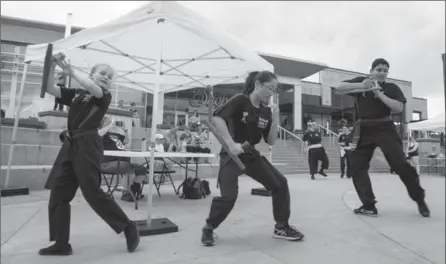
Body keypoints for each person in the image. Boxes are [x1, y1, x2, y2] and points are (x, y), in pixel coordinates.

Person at [38, 52, 139, 256]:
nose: (106, 77)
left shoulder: (104, 96)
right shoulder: (76, 94)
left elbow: (94, 89)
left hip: (88, 143)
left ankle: (128, 227)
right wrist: (50, 66)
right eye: (102, 73)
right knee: (59, 192)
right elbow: (50, 88)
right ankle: (61, 243)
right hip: (71, 143)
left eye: (110, 76)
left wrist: (71, 71)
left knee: (92, 191)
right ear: (92, 74)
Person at [201, 71, 304, 247]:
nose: (272, 93)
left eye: (274, 90)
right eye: (270, 88)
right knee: (229, 197)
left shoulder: (265, 112)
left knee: (280, 183)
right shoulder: (241, 100)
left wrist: (276, 119)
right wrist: (231, 143)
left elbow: (270, 140)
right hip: (231, 155)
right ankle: (209, 228)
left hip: (251, 154)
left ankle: (281, 227)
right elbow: (218, 117)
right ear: (257, 85)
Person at [336, 58, 429, 218]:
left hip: (385, 127)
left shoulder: (391, 87)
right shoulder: (361, 81)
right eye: (379, 69)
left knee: (400, 164)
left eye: (385, 70)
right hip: (363, 129)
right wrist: (363, 85)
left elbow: (398, 107)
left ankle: (419, 198)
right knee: (356, 165)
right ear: (371, 70)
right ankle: (368, 205)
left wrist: (378, 93)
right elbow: (339, 88)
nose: (382, 72)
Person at [99, 116, 148, 201]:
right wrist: (108, 126)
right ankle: (128, 191)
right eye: (107, 122)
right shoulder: (101, 134)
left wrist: (125, 130)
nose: (110, 123)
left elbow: (126, 141)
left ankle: (132, 191)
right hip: (108, 163)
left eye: (110, 122)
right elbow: (98, 134)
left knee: (142, 169)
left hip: (122, 162)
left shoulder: (115, 135)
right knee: (126, 166)